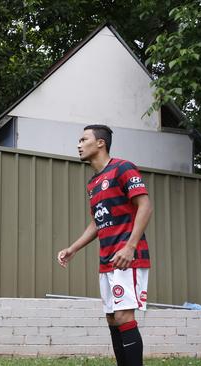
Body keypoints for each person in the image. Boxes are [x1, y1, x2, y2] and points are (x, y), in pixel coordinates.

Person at [57, 124, 152, 366]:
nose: (78, 144)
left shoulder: (123, 168)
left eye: (83, 139)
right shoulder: (93, 183)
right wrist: (73, 248)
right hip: (107, 259)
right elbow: (98, 223)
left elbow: (145, 206)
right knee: (112, 318)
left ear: (100, 143)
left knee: (123, 316)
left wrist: (130, 247)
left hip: (128, 256)